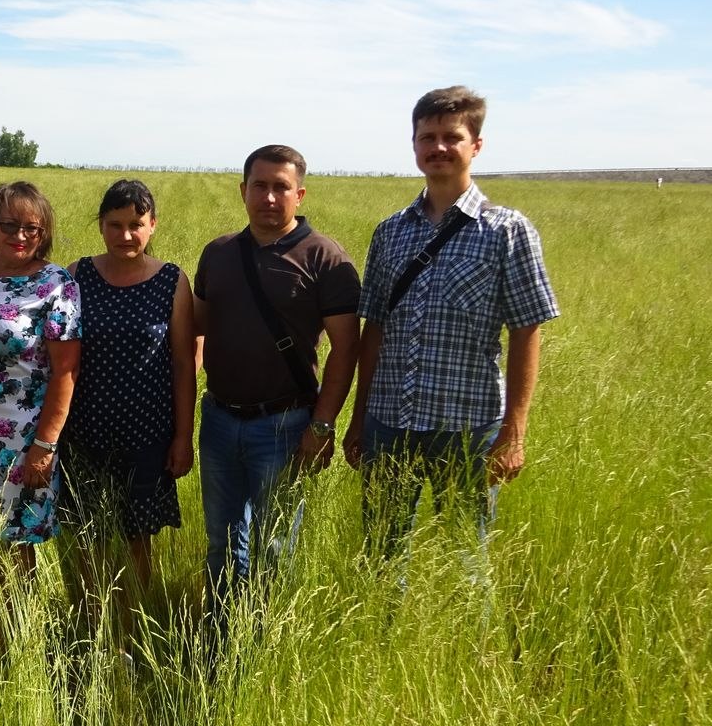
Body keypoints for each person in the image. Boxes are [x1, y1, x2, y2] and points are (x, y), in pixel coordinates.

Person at [342, 86, 559, 563]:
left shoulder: (507, 230)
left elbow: (528, 330)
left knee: (466, 557)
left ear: (475, 145)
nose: (438, 147)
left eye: (451, 137)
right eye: (428, 137)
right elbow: (373, 329)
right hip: (389, 420)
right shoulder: (390, 231)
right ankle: (383, 635)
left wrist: (514, 433)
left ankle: (469, 640)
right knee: (381, 552)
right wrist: (359, 418)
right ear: (415, 144)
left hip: (466, 425)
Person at [194, 144, 359, 625]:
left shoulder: (326, 257)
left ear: (299, 194)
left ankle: (262, 639)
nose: (269, 197)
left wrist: (323, 426)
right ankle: (220, 633)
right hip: (220, 421)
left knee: (274, 547)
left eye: (280, 187)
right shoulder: (219, 253)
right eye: (260, 186)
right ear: (243, 190)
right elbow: (199, 329)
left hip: (286, 425)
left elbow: (346, 349)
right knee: (222, 541)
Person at [60, 179, 194, 647]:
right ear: (101, 226)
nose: (125, 235)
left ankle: (131, 634)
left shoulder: (172, 281)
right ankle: (87, 630)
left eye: (136, 224)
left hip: (148, 434)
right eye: (115, 225)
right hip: (84, 431)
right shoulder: (76, 275)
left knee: (138, 540)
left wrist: (182, 437)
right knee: (88, 539)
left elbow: (182, 363)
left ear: (152, 226)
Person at [0, 181, 81, 570]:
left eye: (32, 229)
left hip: (22, 441)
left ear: (44, 234)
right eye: (9, 225)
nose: (20, 236)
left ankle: (14, 630)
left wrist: (45, 446)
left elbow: (66, 370)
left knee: (16, 547)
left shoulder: (57, 286)